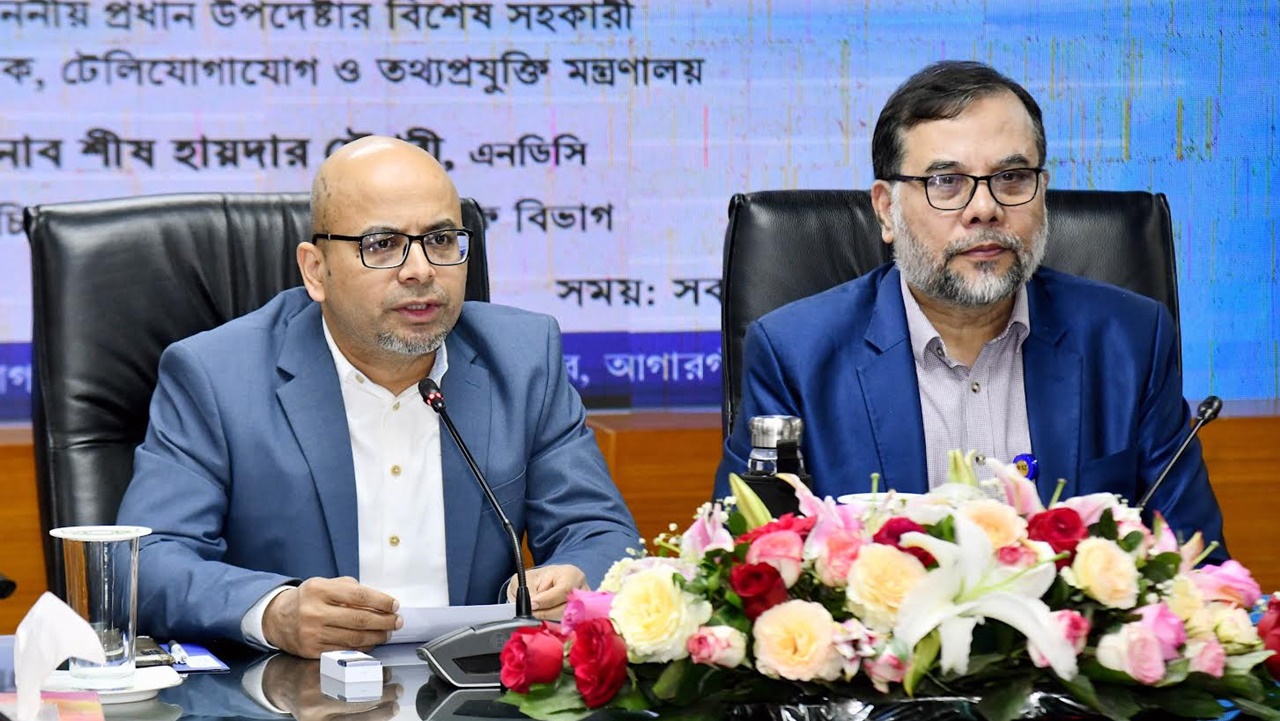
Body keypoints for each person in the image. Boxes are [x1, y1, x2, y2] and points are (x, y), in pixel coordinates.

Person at [116, 136, 640, 658]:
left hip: (473, 686)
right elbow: (147, 561)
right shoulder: (216, 374)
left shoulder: (524, 359)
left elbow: (600, 532)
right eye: (383, 244)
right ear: (316, 271)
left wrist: (573, 578)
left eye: (441, 240)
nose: (420, 271)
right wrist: (274, 611)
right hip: (289, 689)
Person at [714, 60, 1227, 553]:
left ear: (1042, 192)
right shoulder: (794, 355)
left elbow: (1194, 563)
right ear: (886, 211)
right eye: (946, 182)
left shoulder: (1130, 340)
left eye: (1012, 177)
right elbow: (750, 567)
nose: (985, 208)